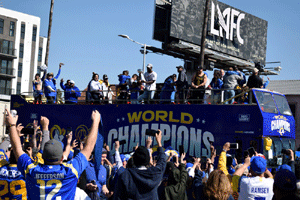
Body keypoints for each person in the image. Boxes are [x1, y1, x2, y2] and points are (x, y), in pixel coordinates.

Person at [6, 109, 101, 199]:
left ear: (42, 156)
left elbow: (17, 149)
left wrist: (12, 125)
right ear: (61, 158)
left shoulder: (31, 170)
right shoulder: (71, 171)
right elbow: (89, 147)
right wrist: (96, 121)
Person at [113, 129, 166, 200]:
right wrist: (159, 143)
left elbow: (118, 197)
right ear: (147, 161)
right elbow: (162, 161)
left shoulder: (125, 176)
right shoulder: (154, 174)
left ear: (134, 159)